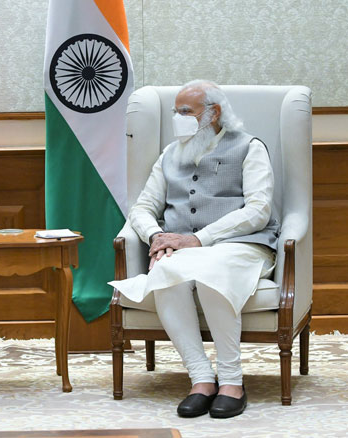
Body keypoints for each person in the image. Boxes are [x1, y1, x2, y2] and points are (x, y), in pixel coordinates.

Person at [110, 80, 279, 419]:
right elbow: (142, 208)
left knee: (209, 273)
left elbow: (258, 210)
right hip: (185, 250)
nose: (178, 118)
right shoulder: (170, 155)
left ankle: (232, 382)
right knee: (166, 272)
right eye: (176, 112)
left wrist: (199, 238)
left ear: (213, 113)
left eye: (186, 112)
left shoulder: (249, 147)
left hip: (242, 246)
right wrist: (157, 236)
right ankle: (201, 379)